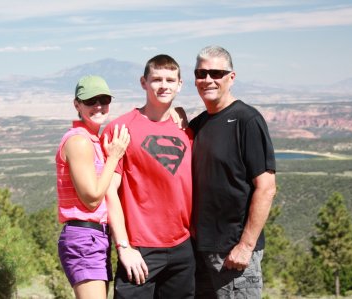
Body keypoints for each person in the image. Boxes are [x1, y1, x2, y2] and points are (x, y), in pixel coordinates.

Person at [102, 54, 195, 299]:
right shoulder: (121, 129)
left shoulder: (187, 130)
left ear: (179, 84)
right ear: (143, 82)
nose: (163, 85)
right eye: (156, 79)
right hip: (140, 250)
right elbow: (109, 191)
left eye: (170, 80)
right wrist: (124, 247)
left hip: (183, 248)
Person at [189, 45, 277, 298]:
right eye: (201, 73)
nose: (208, 80)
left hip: (233, 254)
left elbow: (266, 187)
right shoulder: (199, 124)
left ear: (231, 77)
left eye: (216, 73)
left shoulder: (246, 120)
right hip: (199, 251)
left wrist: (246, 246)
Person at [56, 75, 130, 299]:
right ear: (77, 104)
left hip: (95, 237)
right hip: (84, 237)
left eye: (104, 99)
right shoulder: (78, 141)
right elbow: (92, 198)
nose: (98, 106)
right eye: (90, 101)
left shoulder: (94, 141)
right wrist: (114, 157)